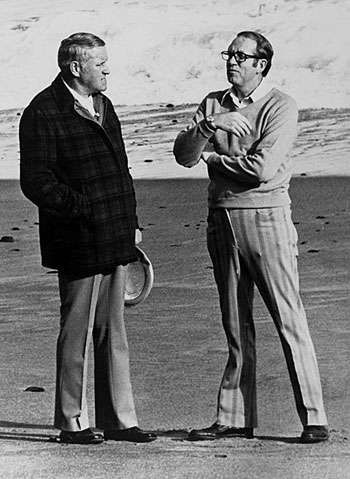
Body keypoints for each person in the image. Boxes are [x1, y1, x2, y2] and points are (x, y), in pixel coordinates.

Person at [173, 30, 328, 443]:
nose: (232, 62)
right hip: (221, 219)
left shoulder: (281, 106)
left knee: (288, 318)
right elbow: (183, 156)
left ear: (261, 64)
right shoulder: (213, 103)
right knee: (235, 323)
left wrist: (214, 158)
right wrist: (209, 125)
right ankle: (234, 418)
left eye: (241, 56)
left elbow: (262, 170)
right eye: (229, 54)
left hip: (268, 219)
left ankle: (314, 416)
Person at [19, 32, 157, 445]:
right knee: (75, 330)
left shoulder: (103, 104)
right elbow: (36, 181)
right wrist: (82, 209)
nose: (108, 69)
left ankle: (119, 420)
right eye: (101, 63)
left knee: (113, 329)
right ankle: (71, 422)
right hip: (76, 236)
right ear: (75, 67)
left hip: (114, 231)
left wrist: (130, 219)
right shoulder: (43, 111)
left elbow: (121, 169)